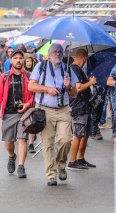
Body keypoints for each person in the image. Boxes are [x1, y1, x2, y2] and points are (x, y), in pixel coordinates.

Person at [28, 43, 79, 186]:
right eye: (55, 51)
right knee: (48, 143)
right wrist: (47, 89)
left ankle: (61, 165)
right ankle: (51, 174)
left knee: (66, 140)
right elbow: (31, 86)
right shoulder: (41, 67)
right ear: (49, 54)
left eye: (60, 52)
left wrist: (69, 86)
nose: (58, 54)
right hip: (45, 109)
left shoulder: (68, 69)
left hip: (63, 109)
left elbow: (75, 93)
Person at [0, 50, 33, 178]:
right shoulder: (4, 77)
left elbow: (34, 95)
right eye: (15, 58)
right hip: (8, 113)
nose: (18, 60)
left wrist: (28, 104)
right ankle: (12, 156)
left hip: (24, 113)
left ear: (24, 60)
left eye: (20, 58)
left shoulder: (29, 76)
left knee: (22, 138)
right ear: (11, 60)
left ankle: (21, 166)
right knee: (8, 141)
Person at [67, 49, 97, 170]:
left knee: (85, 134)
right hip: (79, 106)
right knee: (78, 134)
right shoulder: (74, 69)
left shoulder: (77, 70)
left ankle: (80, 158)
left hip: (85, 105)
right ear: (83, 58)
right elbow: (78, 88)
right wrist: (90, 82)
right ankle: (72, 161)